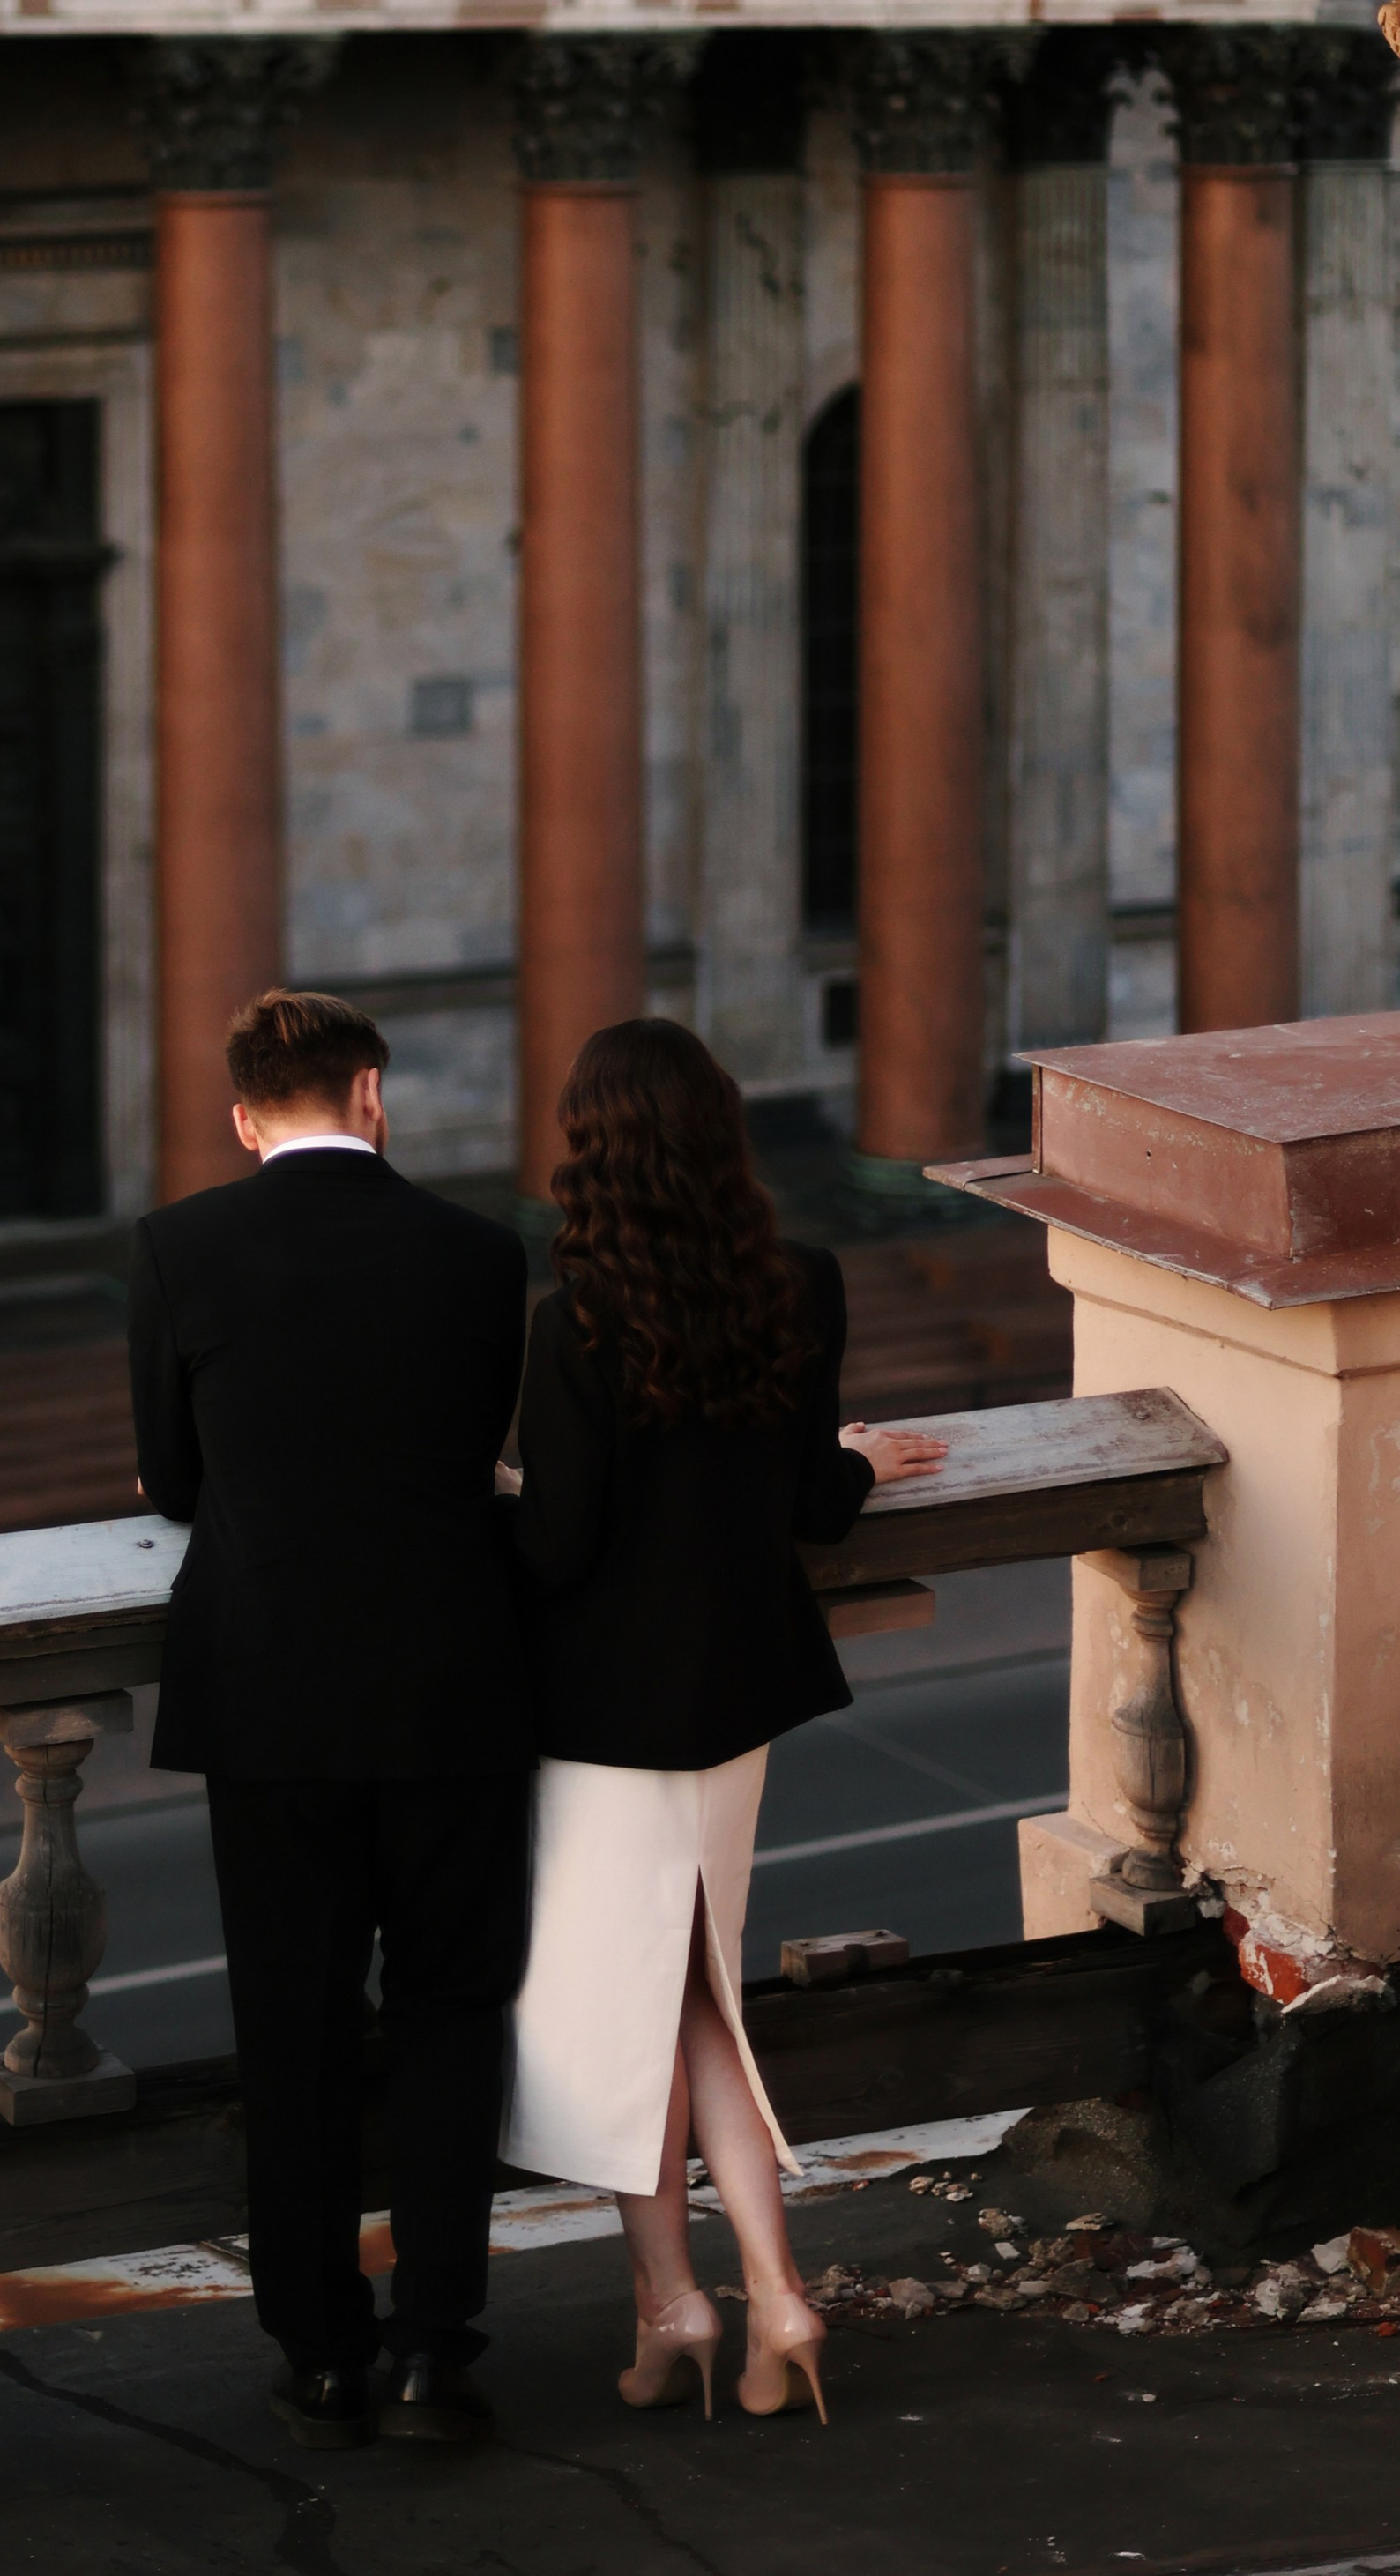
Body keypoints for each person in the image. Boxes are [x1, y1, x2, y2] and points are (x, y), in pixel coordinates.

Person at [500, 1018, 944, 2424]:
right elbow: (811, 1504)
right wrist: (857, 1459)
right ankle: (773, 2296)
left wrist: (494, 1487)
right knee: (697, 1999)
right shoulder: (796, 1285)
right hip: (735, 1700)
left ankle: (677, 2304)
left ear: (595, 1151)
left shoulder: (570, 1319)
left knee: (626, 2012)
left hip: (603, 1716)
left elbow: (559, 1549)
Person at [130, 987, 532, 2451]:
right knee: (448, 2019)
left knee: (293, 2031)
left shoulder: (181, 1247)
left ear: (246, 1117)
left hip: (272, 1696)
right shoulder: (484, 1257)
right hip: (451, 1691)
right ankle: (438, 2350)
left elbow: (171, 1481)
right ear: (373, 1093)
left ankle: (319, 2349)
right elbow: (482, 1454)